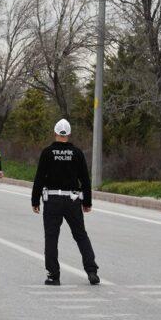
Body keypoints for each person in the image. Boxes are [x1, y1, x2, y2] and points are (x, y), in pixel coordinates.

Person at [31, 119, 99, 286]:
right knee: (81, 235)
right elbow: (85, 179)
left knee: (52, 237)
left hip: (52, 200)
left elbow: (39, 177)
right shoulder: (77, 153)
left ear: (55, 133)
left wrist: (35, 200)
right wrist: (87, 202)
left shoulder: (47, 152)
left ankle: (53, 276)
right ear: (68, 134)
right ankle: (92, 271)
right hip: (73, 200)